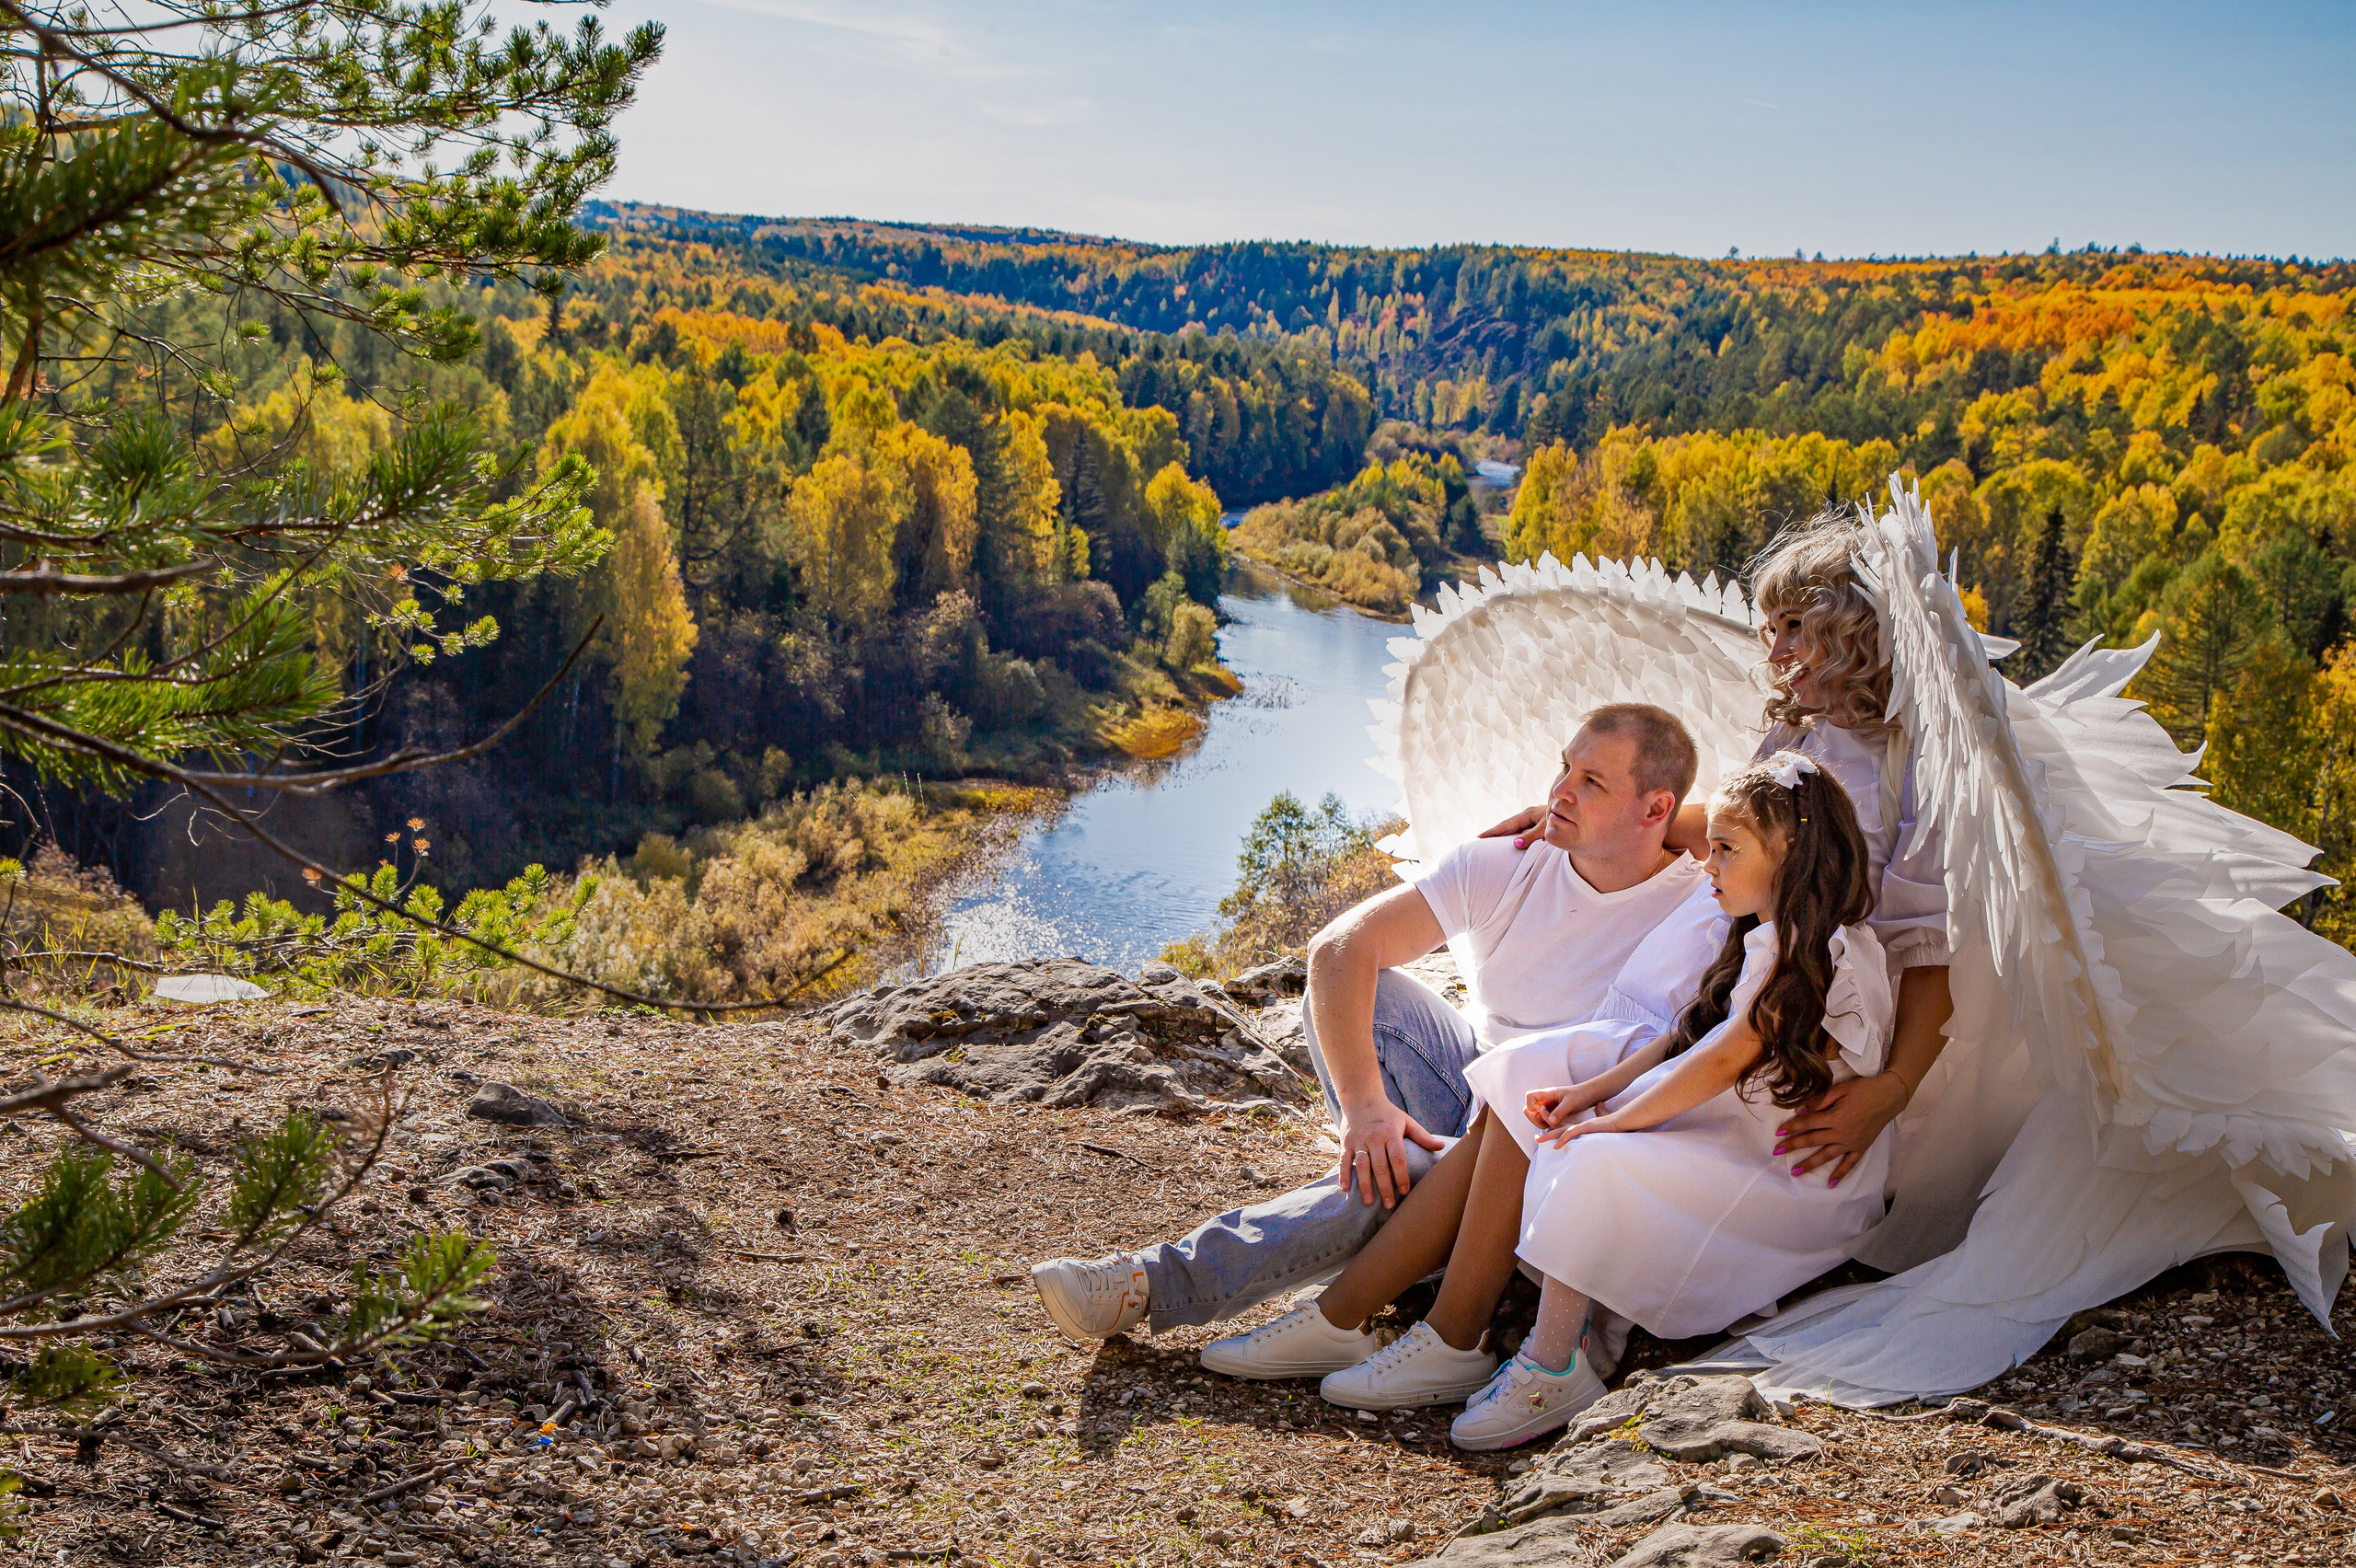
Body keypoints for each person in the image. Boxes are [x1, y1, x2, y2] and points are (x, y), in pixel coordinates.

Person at [1028, 704, 1712, 1364]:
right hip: (1473, 1083)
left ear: (1658, 811)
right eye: (1564, 768)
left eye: (1591, 782)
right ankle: (1409, 1205)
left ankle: (1152, 1282)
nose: (1560, 791)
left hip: (1560, 1134)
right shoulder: (1513, 859)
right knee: (1366, 995)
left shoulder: (1702, 905)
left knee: (1405, 1176)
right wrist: (1365, 1109)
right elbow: (1338, 950)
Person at [1445, 754, 1890, 1449]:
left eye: (1726, 850)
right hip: (1741, 1130)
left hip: (1786, 1172)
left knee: (1597, 1159)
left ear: (1790, 853)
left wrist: (1615, 1122)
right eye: (1710, 846)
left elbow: (1721, 1060)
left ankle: (1554, 1364)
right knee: (1585, 1126)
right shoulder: (1760, 936)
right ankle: (1579, 1330)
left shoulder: (1822, 952)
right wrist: (1589, 1095)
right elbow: (1688, 1035)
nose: (1707, 865)